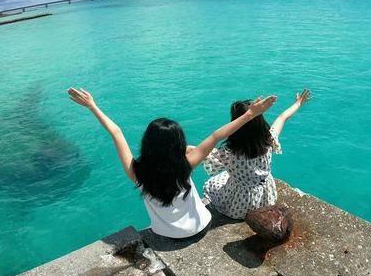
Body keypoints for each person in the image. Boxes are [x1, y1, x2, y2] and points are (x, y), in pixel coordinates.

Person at [67, 87, 277, 238]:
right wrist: (250, 114)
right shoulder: (186, 164)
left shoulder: (137, 172)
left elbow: (116, 132)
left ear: (147, 143)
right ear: (179, 143)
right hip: (201, 227)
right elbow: (215, 136)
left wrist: (92, 106)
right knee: (213, 182)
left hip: (165, 234)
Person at [202, 89, 312, 219]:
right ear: (261, 122)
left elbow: (201, 150)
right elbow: (282, 117)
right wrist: (298, 103)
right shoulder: (270, 140)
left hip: (238, 206)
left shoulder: (227, 153)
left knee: (212, 184)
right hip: (266, 198)